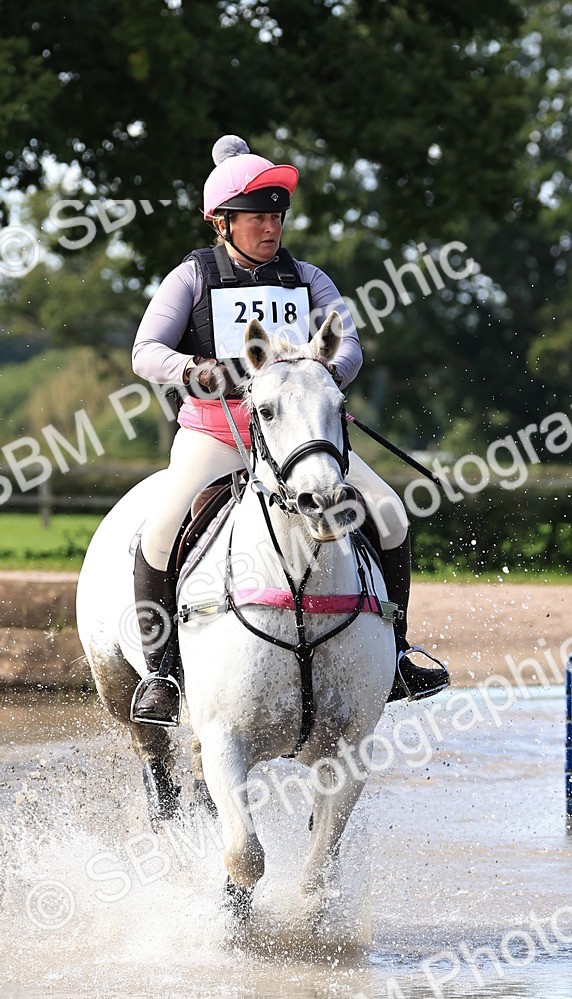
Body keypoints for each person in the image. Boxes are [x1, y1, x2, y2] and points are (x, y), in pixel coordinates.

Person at [129, 134, 449, 724]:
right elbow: (144, 352)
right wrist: (195, 370)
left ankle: (398, 654)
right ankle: (163, 675)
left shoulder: (309, 279)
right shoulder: (191, 279)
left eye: (276, 216)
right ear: (222, 223)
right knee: (161, 529)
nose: (271, 227)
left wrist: (320, 371)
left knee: (391, 514)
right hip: (218, 435)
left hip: (302, 438)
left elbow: (348, 346)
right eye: (257, 217)